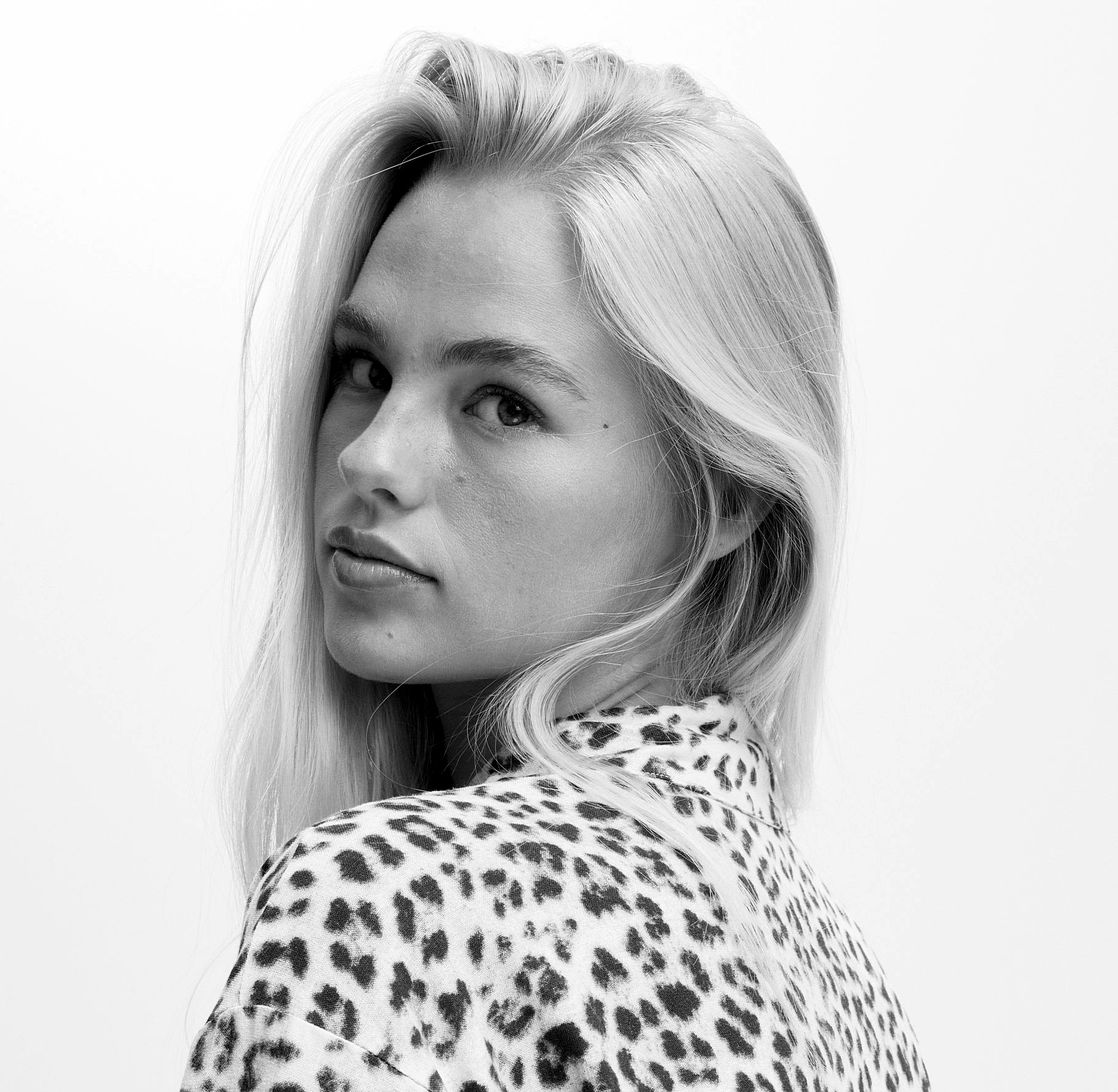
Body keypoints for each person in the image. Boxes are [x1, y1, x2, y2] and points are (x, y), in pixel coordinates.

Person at [180, 33, 930, 1091]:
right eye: (365, 368)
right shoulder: (850, 1000)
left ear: (724, 495)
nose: (370, 456)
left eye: (503, 404)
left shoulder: (391, 907)